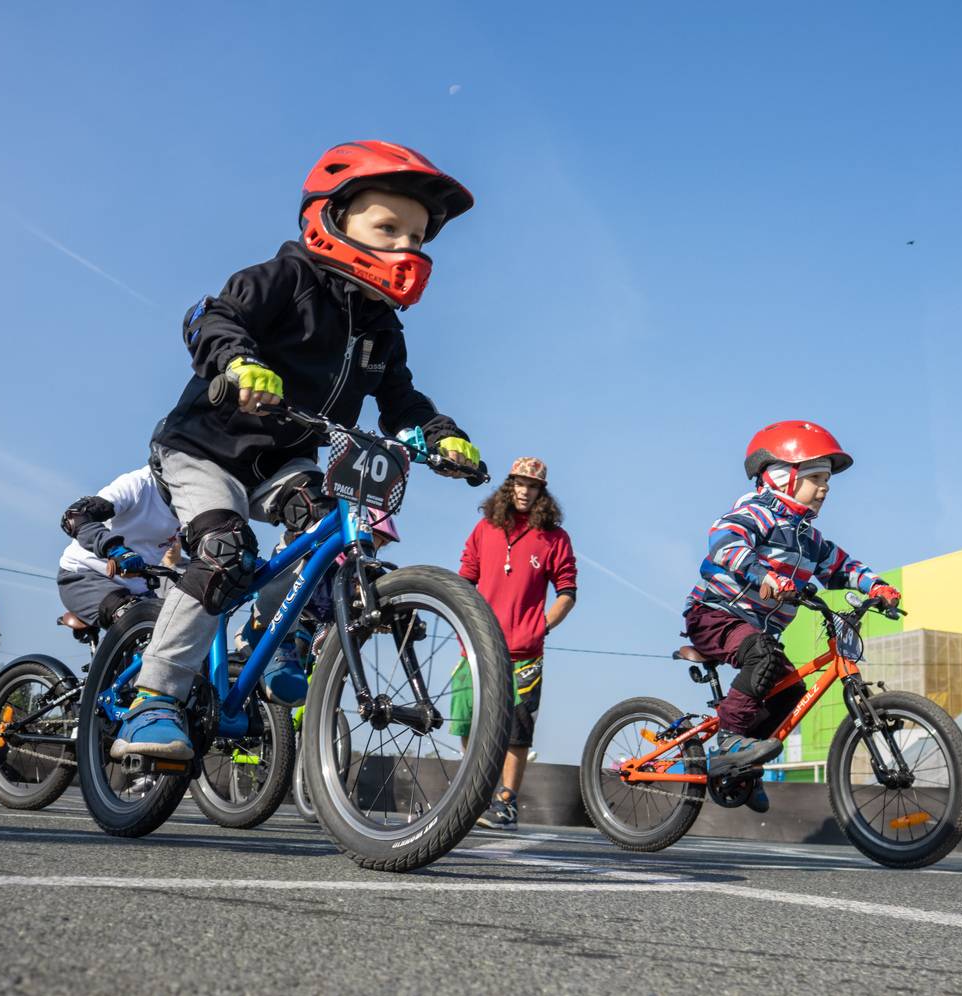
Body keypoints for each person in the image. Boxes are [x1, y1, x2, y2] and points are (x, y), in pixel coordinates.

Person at [117, 140, 483, 763]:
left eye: (418, 238)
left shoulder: (381, 328)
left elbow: (400, 398)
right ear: (331, 219)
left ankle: (271, 635)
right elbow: (210, 317)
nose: (407, 249)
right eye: (389, 229)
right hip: (205, 449)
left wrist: (439, 433)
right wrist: (239, 362)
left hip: (284, 460)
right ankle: (152, 698)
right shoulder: (283, 279)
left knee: (324, 531)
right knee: (224, 550)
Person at [683, 421, 901, 812]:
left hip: (757, 629)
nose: (824, 489)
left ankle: (745, 768)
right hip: (716, 614)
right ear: (783, 476)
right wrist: (760, 573)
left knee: (791, 690)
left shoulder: (808, 539)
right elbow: (724, 540)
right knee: (763, 655)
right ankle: (729, 739)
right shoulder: (757, 513)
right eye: (816, 478)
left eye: (827, 482)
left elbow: (842, 566)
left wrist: (877, 587)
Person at [452, 457, 577, 830]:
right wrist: (463, 624)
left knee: (517, 731)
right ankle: (476, 790)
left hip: (525, 653)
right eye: (519, 483)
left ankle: (506, 802)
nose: (525, 491)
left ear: (541, 492)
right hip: (477, 646)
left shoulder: (555, 538)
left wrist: (542, 626)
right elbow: (464, 580)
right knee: (466, 722)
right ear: (510, 486)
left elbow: (568, 592)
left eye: (533, 485)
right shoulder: (484, 528)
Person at [58, 465, 182, 627]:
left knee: (182, 628)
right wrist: (115, 549)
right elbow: (76, 517)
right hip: (87, 575)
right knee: (133, 617)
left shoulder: (195, 500)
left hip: (140, 590)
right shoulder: (139, 484)